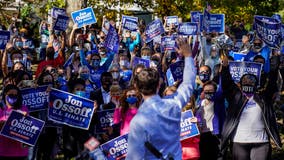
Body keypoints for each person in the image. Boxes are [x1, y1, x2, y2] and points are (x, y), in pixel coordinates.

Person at [126, 38, 196, 159]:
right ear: (159, 85)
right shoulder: (174, 103)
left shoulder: (138, 122)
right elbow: (188, 84)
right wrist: (188, 56)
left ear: (136, 87)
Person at [219, 55, 282, 160]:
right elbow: (226, 83)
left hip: (261, 142)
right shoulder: (235, 97)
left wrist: (275, 58)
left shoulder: (263, 97)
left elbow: (272, 81)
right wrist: (225, 67)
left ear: (256, 84)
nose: (248, 82)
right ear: (240, 84)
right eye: (245, 81)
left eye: (251, 81)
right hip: (239, 142)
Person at [0, 84, 29, 159]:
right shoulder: (0, 109)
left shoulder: (23, 108)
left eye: (16, 95)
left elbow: (28, 126)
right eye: (10, 94)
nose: (13, 96)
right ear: (5, 94)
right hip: (3, 150)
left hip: (20, 152)